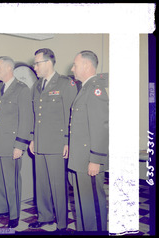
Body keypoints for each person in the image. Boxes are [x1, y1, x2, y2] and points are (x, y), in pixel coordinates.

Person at [28, 48, 77, 232]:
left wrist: (67, 140)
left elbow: (71, 115)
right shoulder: (37, 86)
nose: (34, 67)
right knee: (41, 184)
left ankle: (62, 224)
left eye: (37, 63)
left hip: (57, 143)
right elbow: (35, 115)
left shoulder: (65, 84)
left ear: (48, 62)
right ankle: (45, 218)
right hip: (40, 143)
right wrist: (32, 138)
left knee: (57, 185)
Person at [0, 56, 32, 228]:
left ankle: (14, 214)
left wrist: (20, 145)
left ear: (8, 69)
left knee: (12, 181)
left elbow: (26, 120)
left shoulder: (22, 89)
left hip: (12, 144)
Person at [68, 50, 109, 232]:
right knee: (83, 203)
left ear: (86, 65)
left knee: (93, 202)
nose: (72, 68)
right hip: (81, 159)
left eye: (75, 64)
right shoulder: (85, 88)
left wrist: (96, 159)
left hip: (89, 159)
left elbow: (101, 126)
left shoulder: (95, 90)